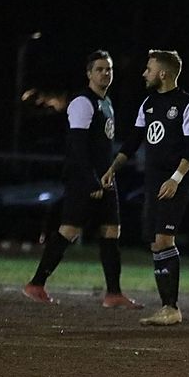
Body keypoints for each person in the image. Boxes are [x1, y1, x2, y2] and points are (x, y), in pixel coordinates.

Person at [23, 50, 143, 310]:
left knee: (112, 231)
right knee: (69, 230)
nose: (105, 73)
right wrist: (90, 181)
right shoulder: (82, 102)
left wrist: (105, 177)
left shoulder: (107, 102)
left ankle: (113, 293)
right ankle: (36, 283)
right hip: (84, 179)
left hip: (105, 179)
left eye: (108, 69)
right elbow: (77, 148)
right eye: (99, 69)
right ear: (89, 73)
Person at [101, 50, 189, 326]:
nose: (144, 73)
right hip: (152, 182)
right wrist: (113, 168)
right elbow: (133, 141)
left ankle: (171, 308)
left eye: (149, 68)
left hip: (174, 183)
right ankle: (167, 307)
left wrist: (175, 179)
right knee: (154, 243)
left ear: (163, 73)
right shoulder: (147, 103)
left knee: (163, 240)